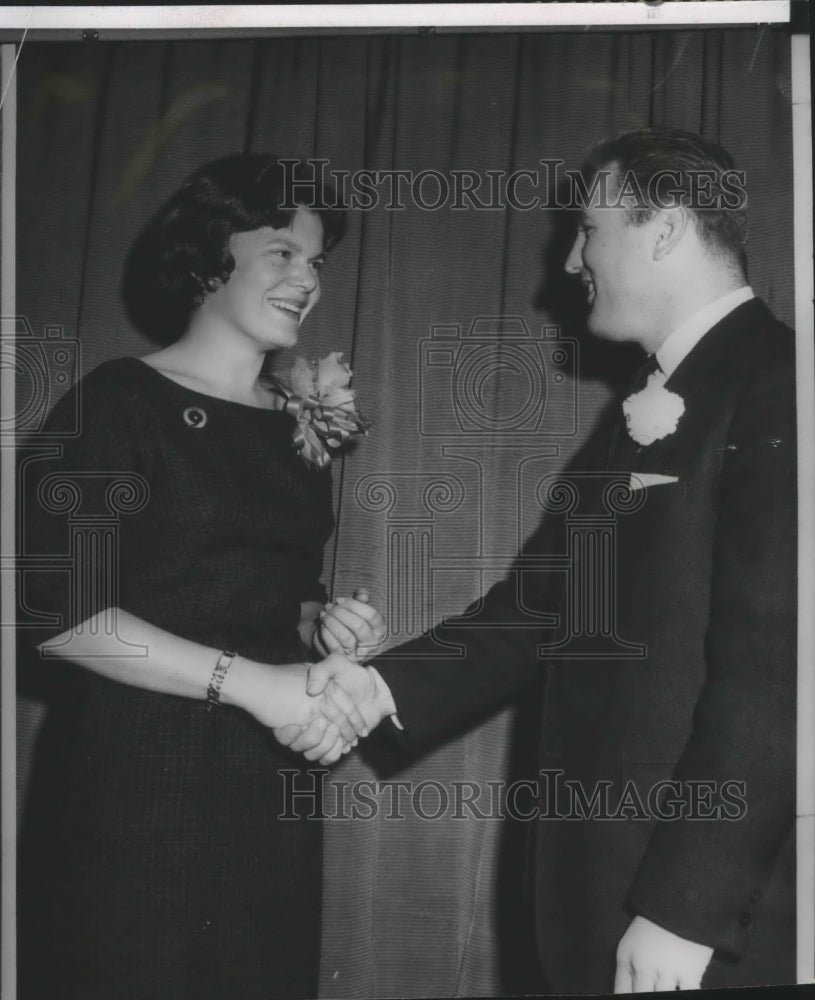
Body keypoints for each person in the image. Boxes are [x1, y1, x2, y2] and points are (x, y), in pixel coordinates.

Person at [288, 129, 797, 994]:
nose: (569, 262)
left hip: (690, 923)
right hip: (605, 895)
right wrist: (375, 689)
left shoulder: (783, 382)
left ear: (665, 228)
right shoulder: (647, 404)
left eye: (587, 229)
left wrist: (688, 908)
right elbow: (542, 607)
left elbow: (783, 668)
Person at [18, 153, 380, 1000]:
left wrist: (327, 627)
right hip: (136, 785)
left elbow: (267, 597)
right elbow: (57, 610)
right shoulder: (118, 402)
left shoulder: (297, 430)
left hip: (266, 787)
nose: (307, 279)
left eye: (317, 262)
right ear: (210, 255)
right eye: (282, 252)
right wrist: (256, 683)